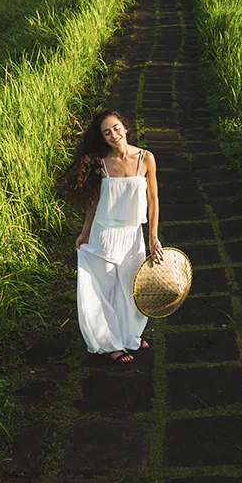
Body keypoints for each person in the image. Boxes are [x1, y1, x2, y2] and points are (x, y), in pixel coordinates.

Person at [59, 108, 163, 363]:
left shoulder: (146, 158)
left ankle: (129, 337)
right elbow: (94, 201)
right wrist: (85, 232)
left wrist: (153, 237)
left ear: (125, 128)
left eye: (116, 128)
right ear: (103, 138)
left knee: (131, 288)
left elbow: (153, 199)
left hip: (132, 234)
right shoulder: (101, 163)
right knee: (103, 288)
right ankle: (108, 343)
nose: (113, 135)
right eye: (107, 133)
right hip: (105, 232)